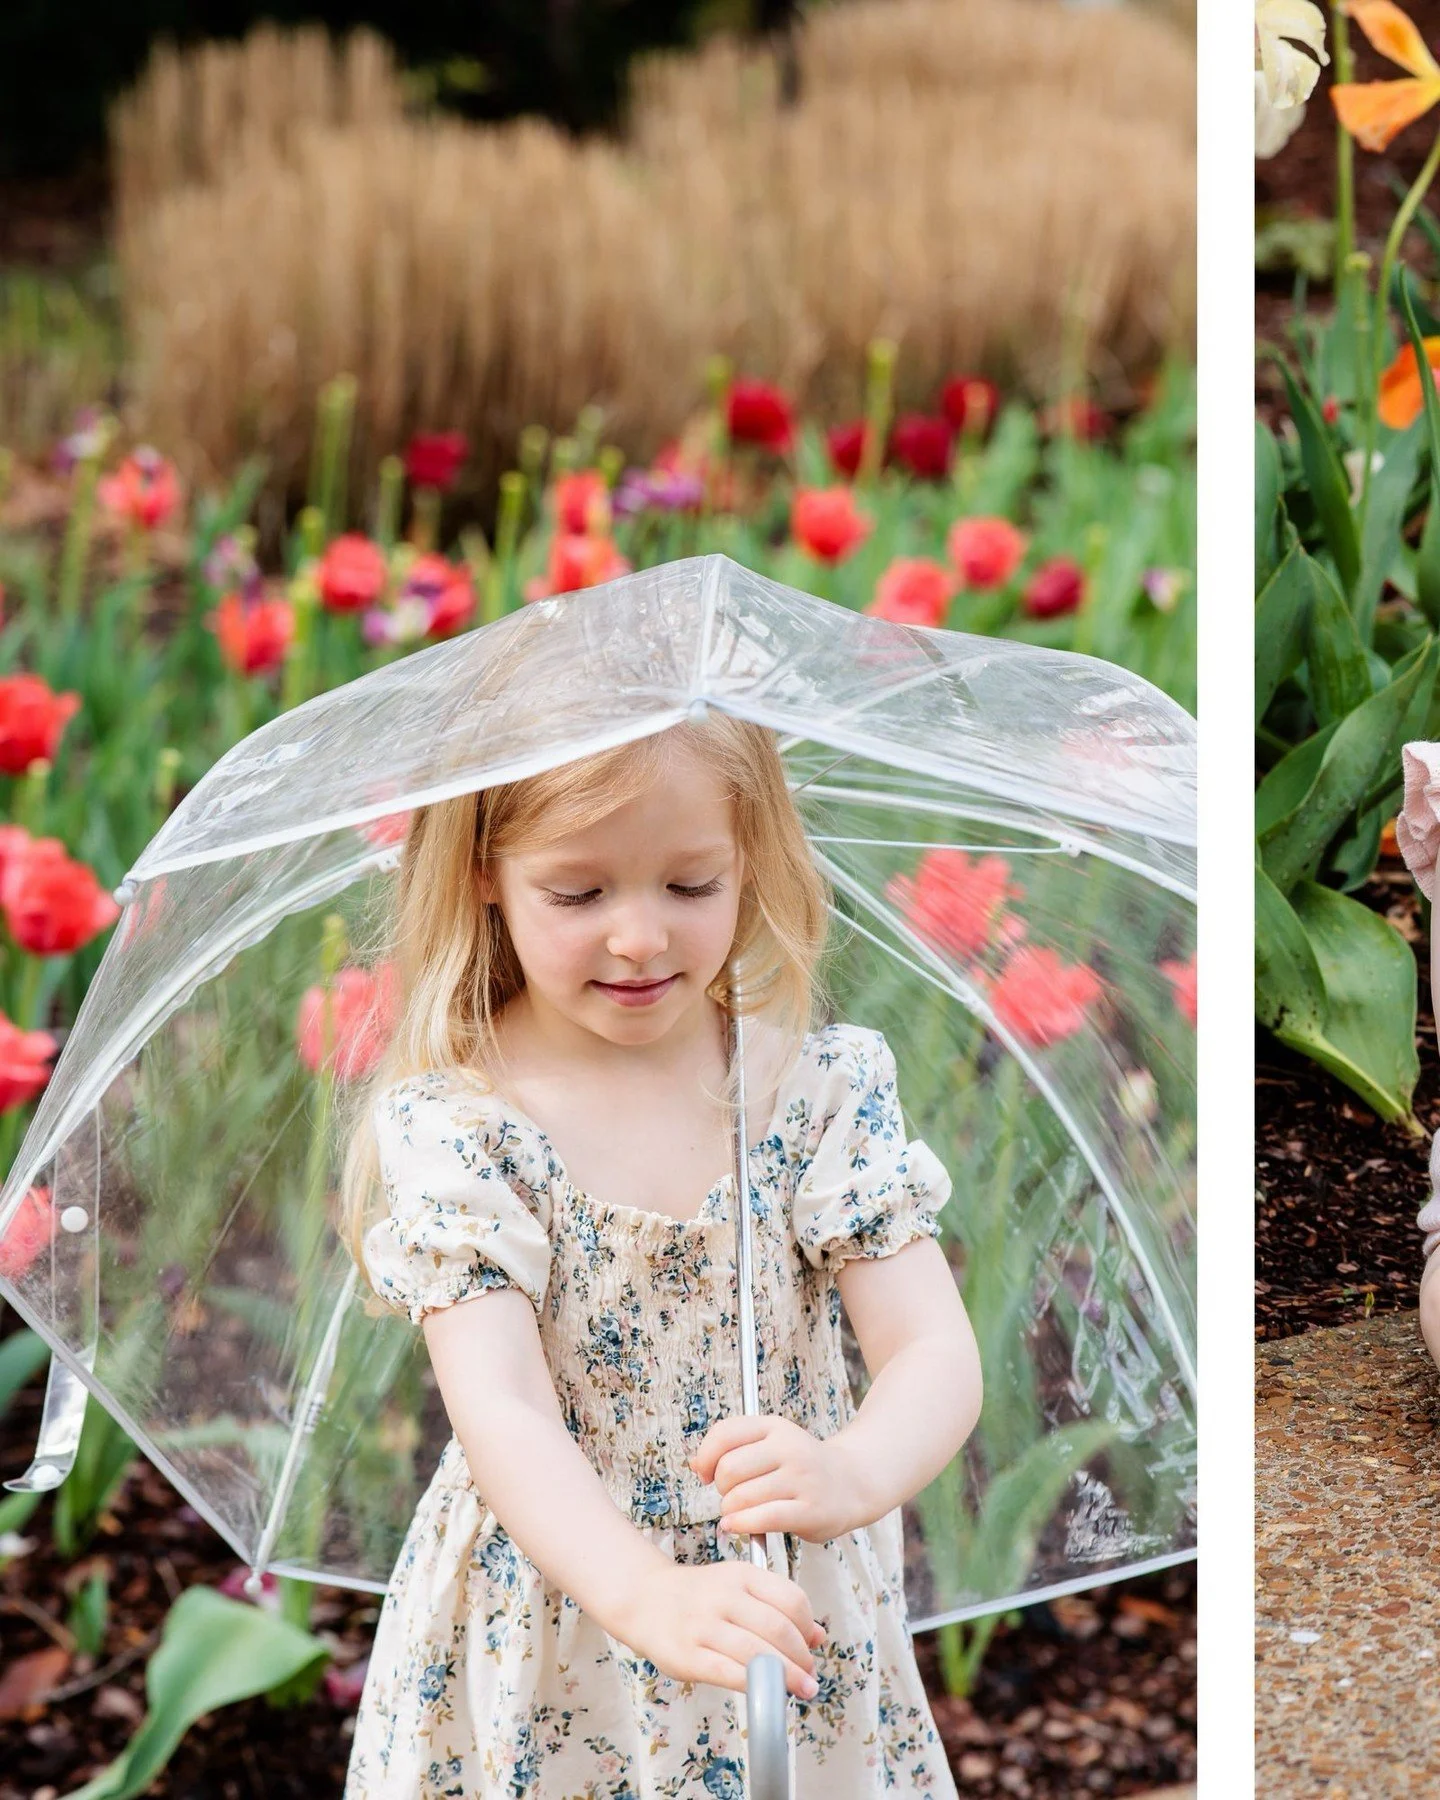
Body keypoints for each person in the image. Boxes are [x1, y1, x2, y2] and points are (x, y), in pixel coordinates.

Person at [339, 707, 983, 1797]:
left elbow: (931, 1345)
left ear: (751, 861)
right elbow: (501, 1407)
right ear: (487, 872)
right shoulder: (467, 1127)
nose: (640, 937)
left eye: (691, 887)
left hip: (782, 1592)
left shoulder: (810, 1093)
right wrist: (644, 1595)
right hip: (558, 1608)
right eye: (580, 893)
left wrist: (851, 1470)